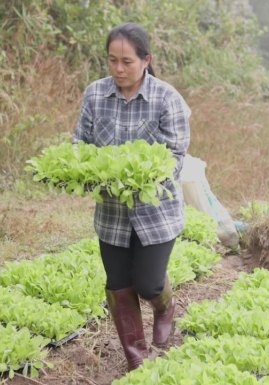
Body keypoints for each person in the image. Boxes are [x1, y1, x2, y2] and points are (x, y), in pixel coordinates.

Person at [72, 22, 191, 371]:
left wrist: (146, 177)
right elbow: (81, 141)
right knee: (118, 284)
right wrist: (82, 167)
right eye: (112, 60)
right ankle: (138, 361)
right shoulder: (95, 94)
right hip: (112, 212)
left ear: (146, 60)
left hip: (156, 212)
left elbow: (176, 154)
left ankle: (165, 306)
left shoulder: (167, 98)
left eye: (126, 61)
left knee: (148, 282)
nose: (118, 69)